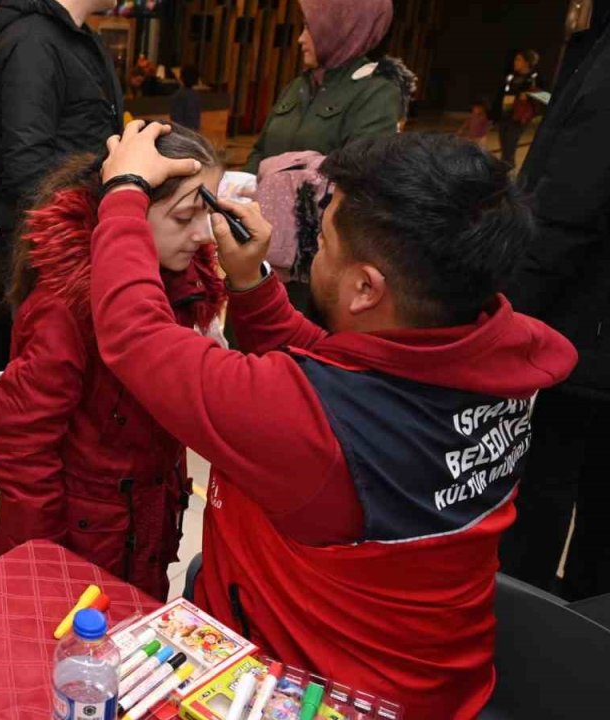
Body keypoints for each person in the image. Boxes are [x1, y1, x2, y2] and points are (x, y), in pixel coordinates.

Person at [90, 123, 576, 718]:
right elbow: (342, 365)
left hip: (320, 694)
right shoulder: (500, 360)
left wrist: (123, 193)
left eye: (322, 243)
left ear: (366, 288)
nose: (313, 251)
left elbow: (136, 339)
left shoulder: (314, 426)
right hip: (436, 681)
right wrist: (253, 282)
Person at [0, 125, 226, 601]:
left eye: (209, 213)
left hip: (147, 521)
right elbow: (23, 450)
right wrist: (41, 569)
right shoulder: (67, 305)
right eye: (184, 217)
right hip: (85, 537)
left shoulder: (181, 283)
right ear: (126, 209)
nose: (203, 235)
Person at [500, 19, 610, 601]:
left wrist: (507, 314)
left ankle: (537, 627)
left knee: (546, 485)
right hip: (586, 322)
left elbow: (570, 204)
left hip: (581, 326)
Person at [0, 0, 123, 372]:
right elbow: (27, 166)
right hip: (51, 251)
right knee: (51, 375)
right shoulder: (32, 42)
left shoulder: (75, 37)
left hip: (78, 237)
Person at [243, 0, 400, 173]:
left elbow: (358, 177)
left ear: (340, 30)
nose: (300, 39)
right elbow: (259, 152)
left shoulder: (375, 95)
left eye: (309, 28)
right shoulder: (298, 85)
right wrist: (241, 188)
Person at [494, 50, 541, 169]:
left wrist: (529, 94)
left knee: (509, 147)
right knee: (505, 147)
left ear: (526, 62)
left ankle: (506, 175)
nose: (515, 62)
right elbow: (503, 95)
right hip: (506, 114)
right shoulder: (511, 76)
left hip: (519, 117)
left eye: (518, 59)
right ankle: (506, 172)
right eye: (515, 59)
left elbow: (546, 96)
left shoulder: (534, 78)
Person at [169, 66, 202, 131]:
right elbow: (196, 120)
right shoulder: (196, 96)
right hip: (193, 133)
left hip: (182, 133)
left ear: (181, 77)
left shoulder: (178, 96)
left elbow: (176, 120)